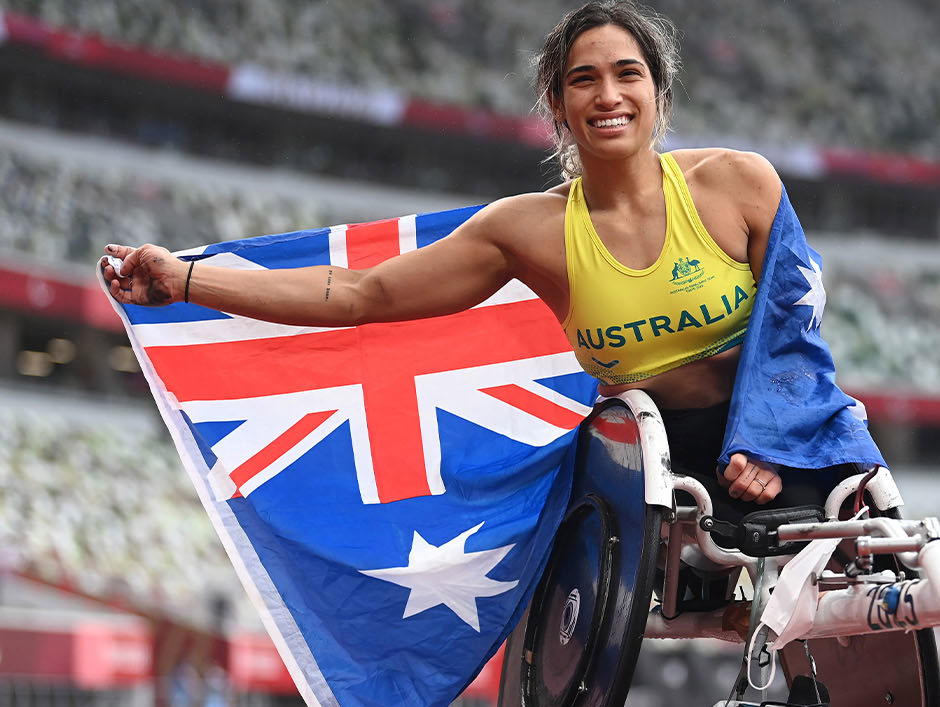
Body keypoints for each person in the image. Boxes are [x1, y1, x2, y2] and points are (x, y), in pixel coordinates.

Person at [100, 0, 830, 525]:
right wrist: (189, 277)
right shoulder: (526, 232)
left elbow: (797, 327)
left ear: (658, 94)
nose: (608, 95)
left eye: (627, 74)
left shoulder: (741, 184)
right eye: (584, 80)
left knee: (872, 536)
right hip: (648, 460)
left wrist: (767, 443)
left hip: (775, 429)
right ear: (557, 105)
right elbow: (362, 293)